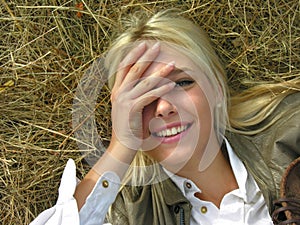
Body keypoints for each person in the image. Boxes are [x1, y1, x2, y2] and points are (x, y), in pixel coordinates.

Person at [30, 9, 300, 225]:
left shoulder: (291, 131)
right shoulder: (127, 213)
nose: (163, 108)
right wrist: (120, 148)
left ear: (217, 89)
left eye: (182, 83)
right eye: (141, 95)